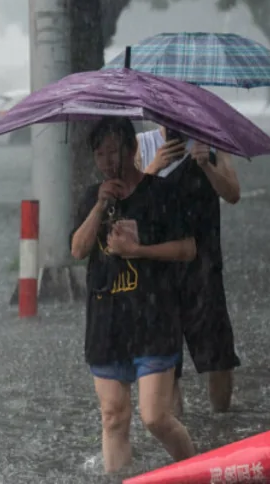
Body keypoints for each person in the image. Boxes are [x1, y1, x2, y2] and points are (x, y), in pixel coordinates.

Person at [70, 117, 198, 474]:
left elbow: (188, 249)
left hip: (154, 320)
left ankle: (198, 473)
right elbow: (78, 249)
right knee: (113, 416)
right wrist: (99, 206)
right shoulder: (92, 198)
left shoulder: (161, 193)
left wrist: (139, 251)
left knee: (155, 417)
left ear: (132, 149)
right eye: (99, 154)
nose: (107, 161)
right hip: (107, 323)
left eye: (113, 152)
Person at [135, 125, 242, 414]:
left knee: (218, 356)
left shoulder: (213, 142)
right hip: (158, 270)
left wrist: (206, 165)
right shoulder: (142, 145)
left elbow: (233, 194)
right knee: (166, 363)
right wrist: (154, 168)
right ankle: (178, 430)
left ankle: (221, 424)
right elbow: (130, 205)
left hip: (204, 267)